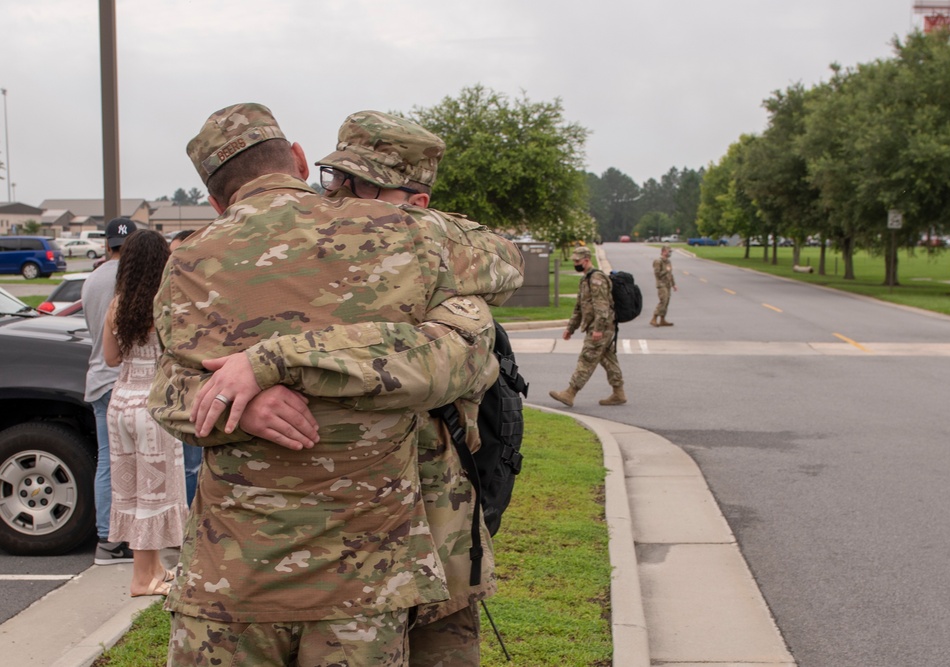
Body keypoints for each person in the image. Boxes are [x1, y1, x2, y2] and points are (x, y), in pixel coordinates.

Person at [148, 103, 504, 666]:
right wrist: (244, 398)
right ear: (296, 159)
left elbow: (167, 392)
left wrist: (252, 379)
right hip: (364, 584)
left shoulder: (189, 259)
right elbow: (471, 327)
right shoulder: (404, 234)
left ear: (216, 201)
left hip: (230, 579)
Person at [315, 110, 524, 665]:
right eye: (331, 179)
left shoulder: (447, 266)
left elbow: (506, 260)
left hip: (438, 521)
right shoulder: (314, 253)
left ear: (416, 205)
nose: (335, 197)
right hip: (338, 540)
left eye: (356, 185)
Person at [102, 230, 187, 597]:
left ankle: (153, 569)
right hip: (153, 406)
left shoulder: (117, 304)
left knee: (131, 489)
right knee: (155, 493)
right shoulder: (163, 302)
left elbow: (110, 358)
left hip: (120, 402)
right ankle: (143, 579)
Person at [81, 216, 137, 565]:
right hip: (127, 380)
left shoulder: (91, 280)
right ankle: (133, 536)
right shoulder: (133, 281)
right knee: (140, 461)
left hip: (98, 378)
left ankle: (107, 538)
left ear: (106, 245)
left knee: (107, 460)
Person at [549, 245, 627, 407]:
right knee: (608, 359)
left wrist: (598, 329)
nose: (575, 263)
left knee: (587, 358)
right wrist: (570, 328)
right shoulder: (585, 279)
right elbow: (580, 307)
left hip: (601, 327)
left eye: (577, 261)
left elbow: (602, 306)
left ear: (586, 260)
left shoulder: (596, 279)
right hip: (598, 326)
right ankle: (619, 393)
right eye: (574, 260)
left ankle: (570, 393)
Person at [167, 229, 201, 506]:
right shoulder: (168, 293)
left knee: (193, 466)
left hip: (199, 392)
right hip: (177, 391)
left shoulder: (202, 293)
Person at [651, 243, 678, 327]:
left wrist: (673, 284)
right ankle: (654, 318)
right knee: (663, 301)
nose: (669, 253)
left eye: (670, 252)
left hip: (667, 284)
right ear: (663, 252)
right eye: (668, 251)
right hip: (661, 284)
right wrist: (666, 270)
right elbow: (657, 274)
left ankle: (662, 319)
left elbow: (670, 274)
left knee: (667, 302)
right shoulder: (658, 261)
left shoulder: (668, 261)